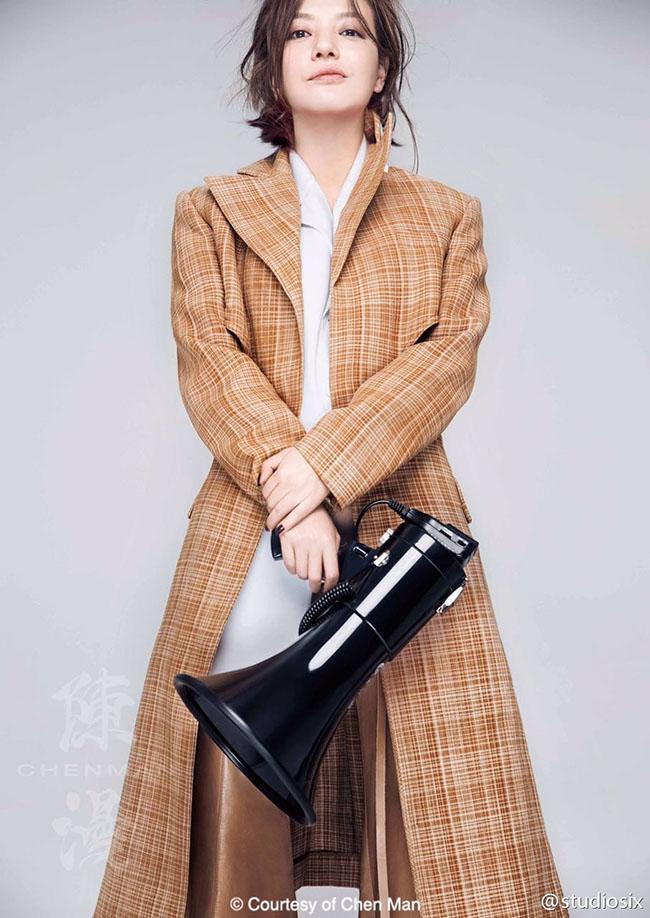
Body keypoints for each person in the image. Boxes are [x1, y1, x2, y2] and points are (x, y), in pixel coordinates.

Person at [94, 2, 569, 916]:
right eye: (301, 31)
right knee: (231, 771)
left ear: (381, 67)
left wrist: (325, 472)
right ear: (272, 68)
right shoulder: (211, 211)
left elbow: (445, 361)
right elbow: (210, 358)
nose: (324, 45)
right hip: (255, 522)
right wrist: (295, 496)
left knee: (438, 796)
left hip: (404, 526)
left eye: (350, 30)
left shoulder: (445, 216)